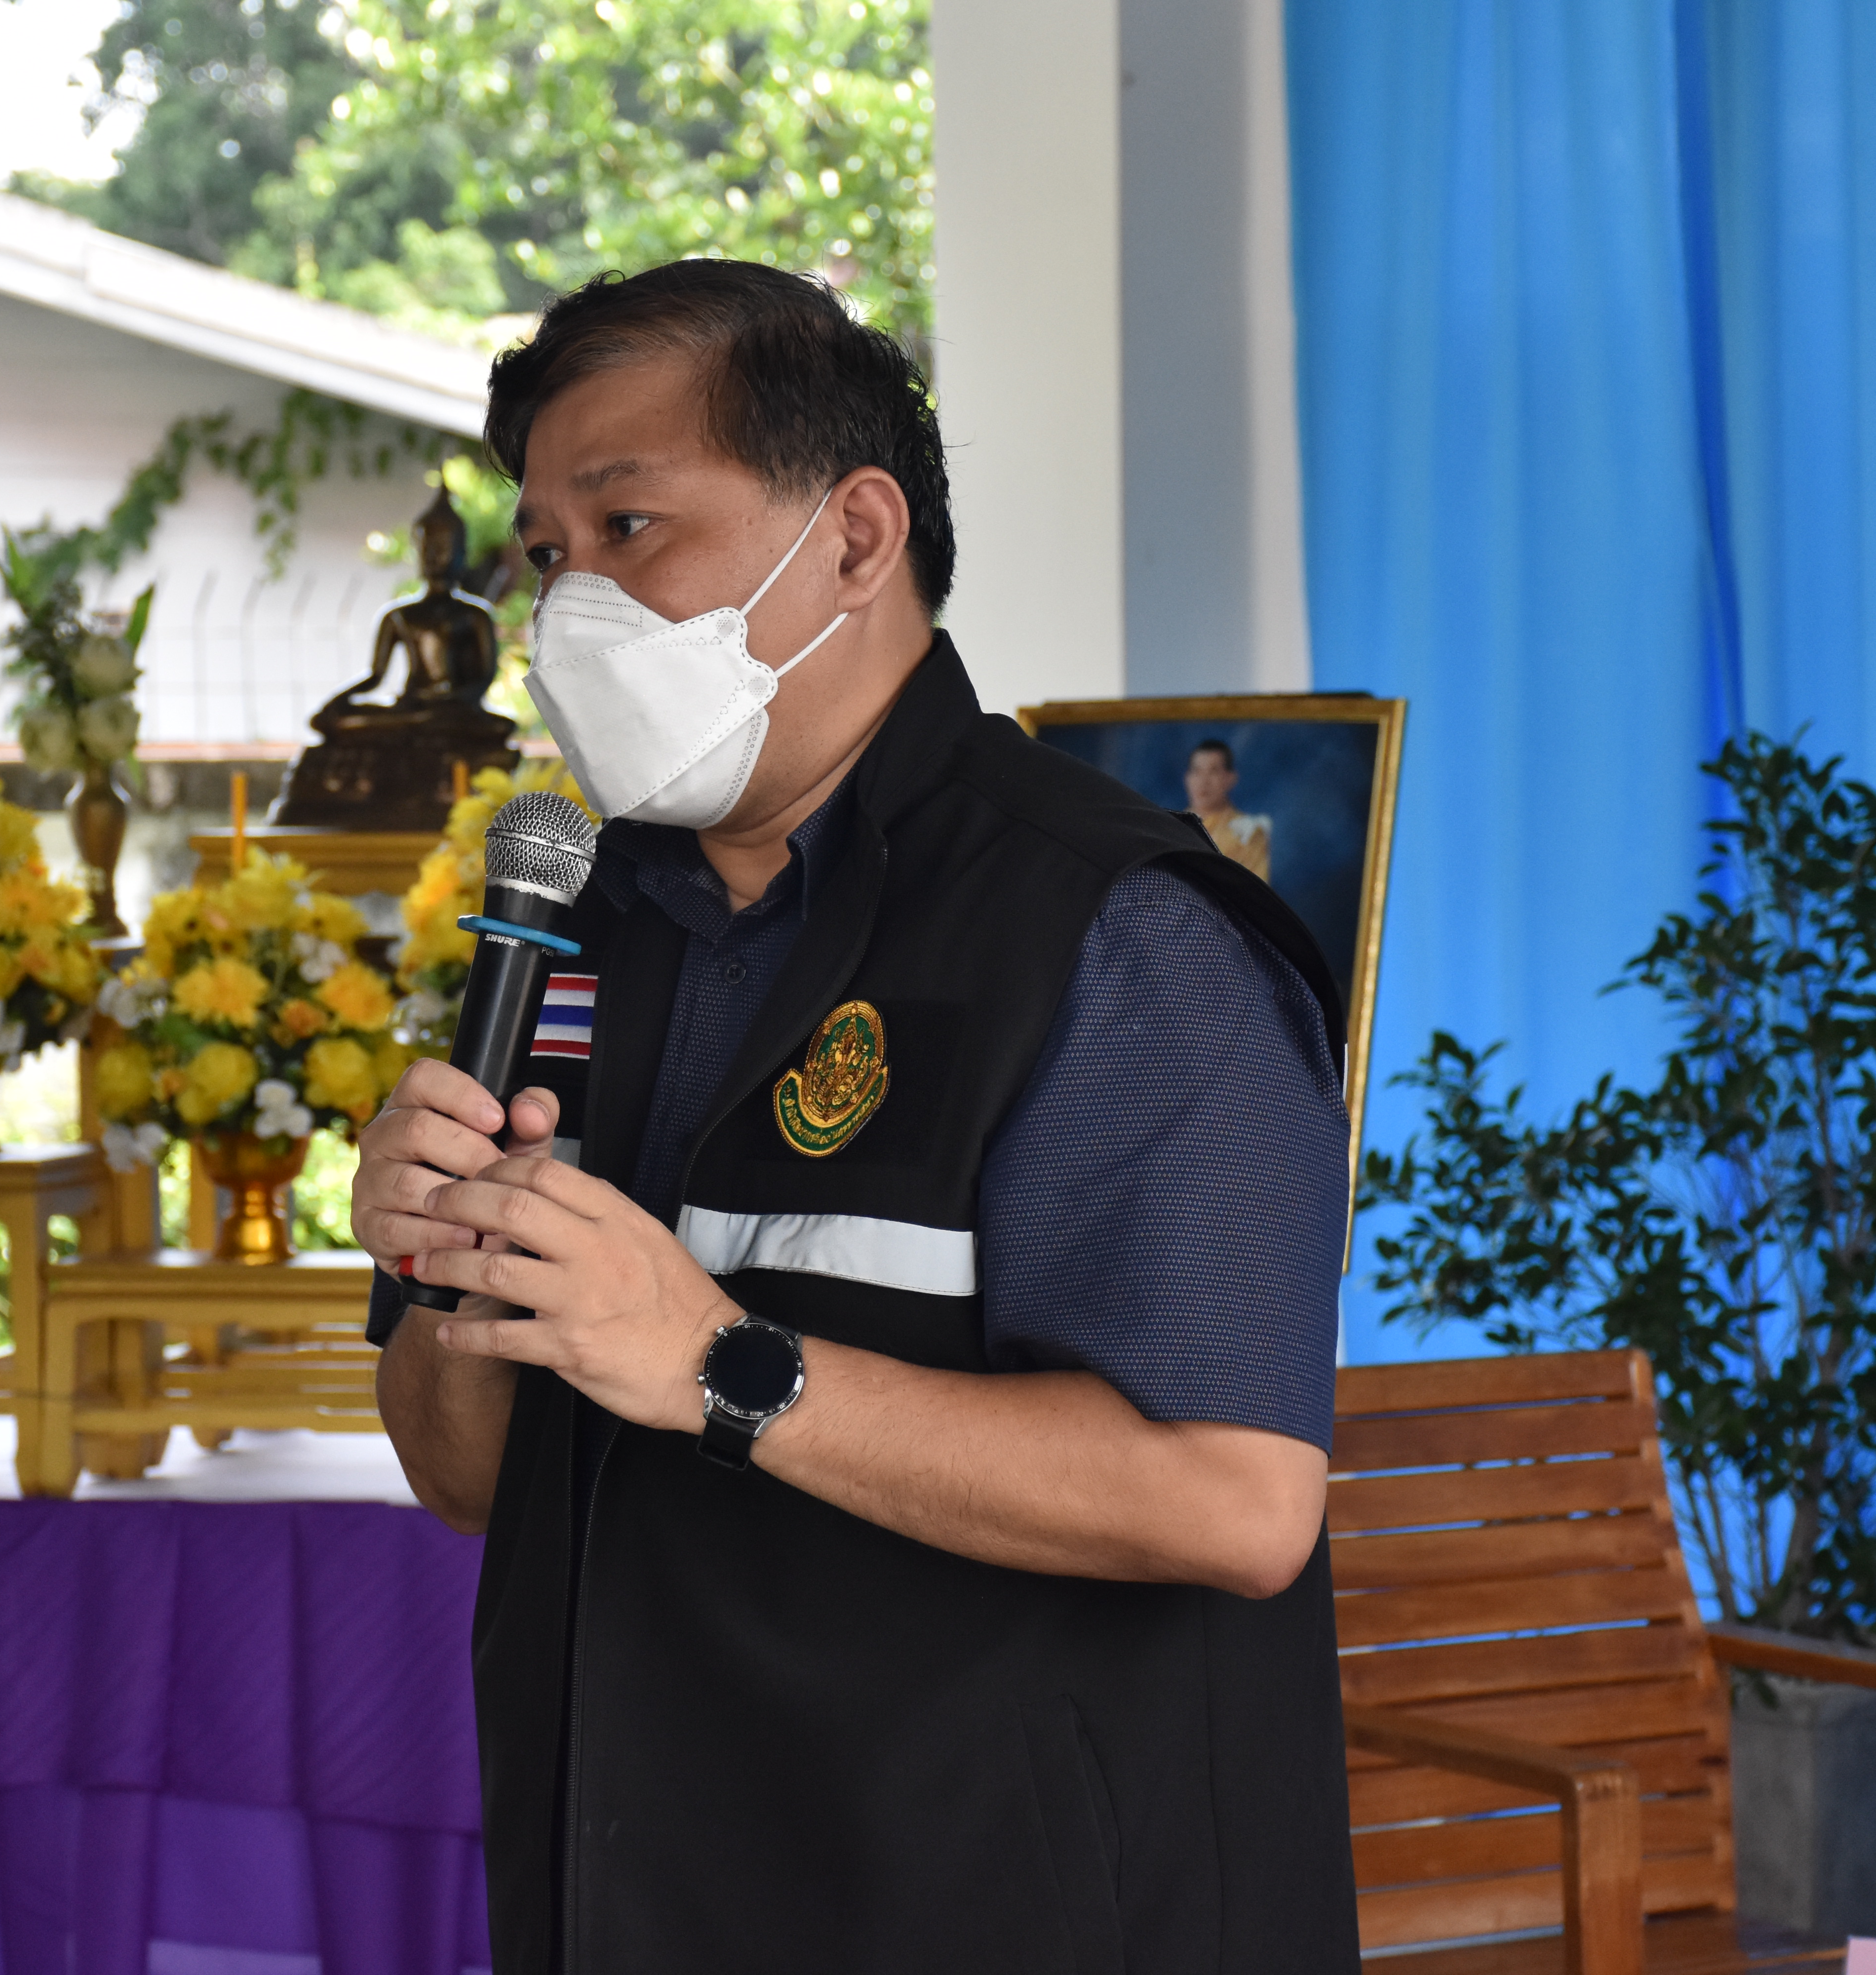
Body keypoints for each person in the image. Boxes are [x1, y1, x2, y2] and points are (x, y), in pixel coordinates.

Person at [354, 259, 1359, 1975]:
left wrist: (720, 1363)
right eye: (547, 555)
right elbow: (465, 1483)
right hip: (635, 1903)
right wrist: (453, 1273)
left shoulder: (1110, 930)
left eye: (630, 526)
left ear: (856, 537)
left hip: (1002, 1917)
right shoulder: (576, 931)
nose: (572, 606)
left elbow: (1236, 1505)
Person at [1187, 736, 1275, 881]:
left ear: (1230, 779)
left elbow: (1256, 891)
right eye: (1197, 771)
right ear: (1187, 778)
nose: (1203, 781)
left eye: (1214, 772)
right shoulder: (1173, 827)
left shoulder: (1247, 833)